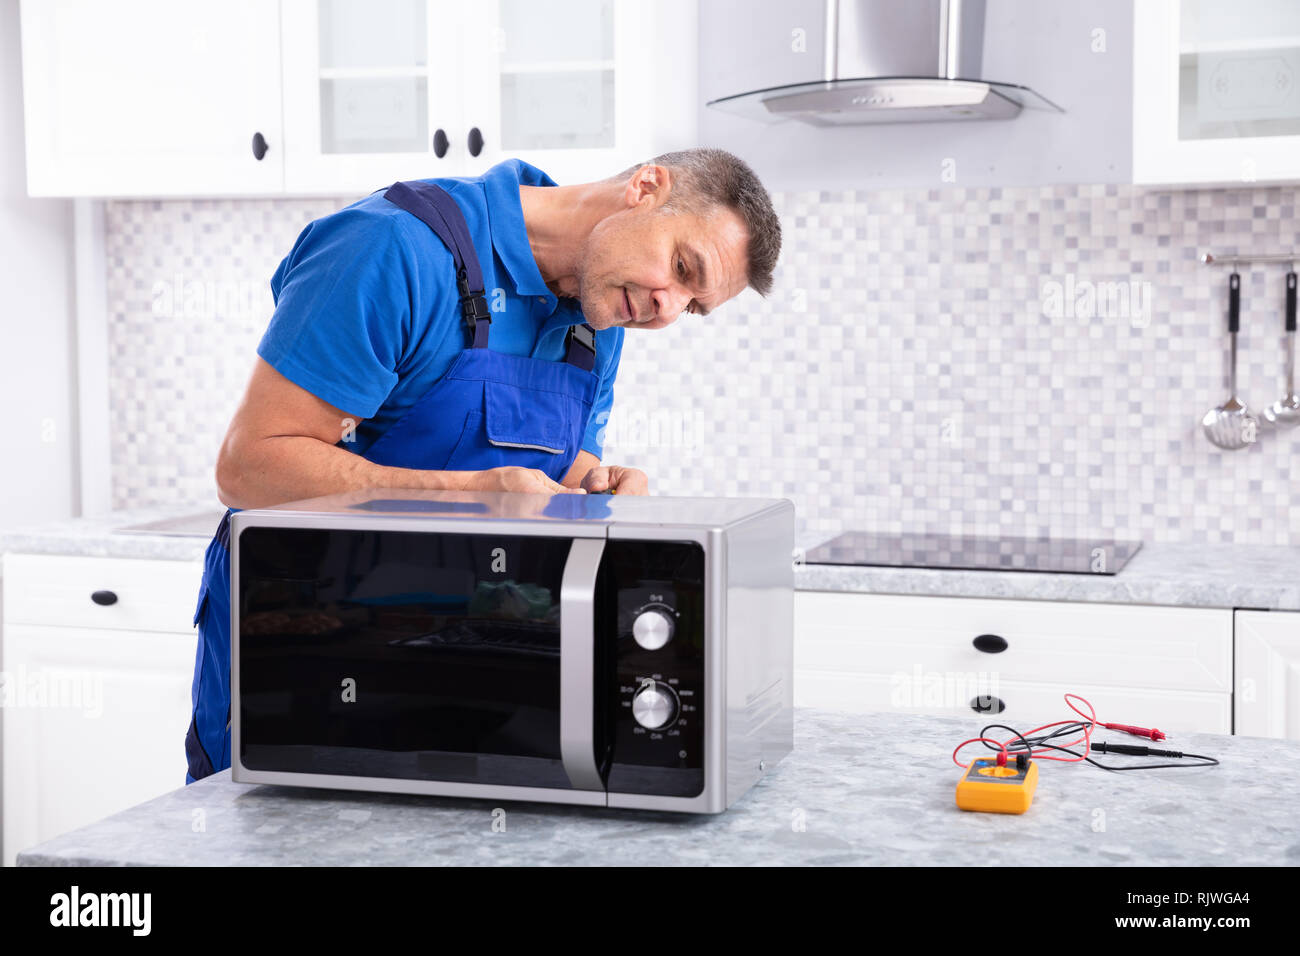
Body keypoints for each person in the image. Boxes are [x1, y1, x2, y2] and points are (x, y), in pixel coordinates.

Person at [185, 148, 783, 782]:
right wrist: (466, 492)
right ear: (645, 187)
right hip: (305, 663)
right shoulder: (391, 250)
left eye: (692, 305)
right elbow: (250, 466)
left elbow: (548, 463)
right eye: (683, 267)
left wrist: (592, 488)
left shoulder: (600, 312)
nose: (668, 307)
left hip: (462, 673)